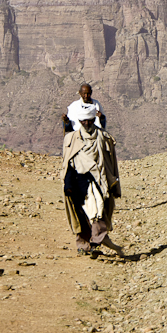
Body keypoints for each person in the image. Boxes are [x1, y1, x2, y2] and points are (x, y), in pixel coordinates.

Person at [61, 102, 123, 256]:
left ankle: (96, 242)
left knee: (98, 210)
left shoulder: (103, 137)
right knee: (81, 214)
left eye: (89, 120)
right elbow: (68, 163)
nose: (87, 123)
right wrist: (68, 184)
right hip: (78, 182)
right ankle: (84, 245)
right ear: (80, 121)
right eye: (84, 121)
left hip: (99, 180)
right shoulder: (71, 139)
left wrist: (114, 184)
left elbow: (110, 163)